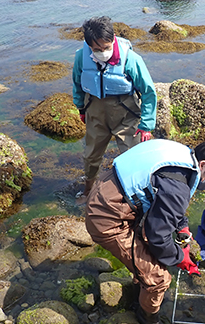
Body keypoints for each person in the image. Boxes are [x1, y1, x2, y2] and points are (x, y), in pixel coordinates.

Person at [85, 139, 205, 324]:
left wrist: (182, 230)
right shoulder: (178, 186)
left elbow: (169, 205)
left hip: (109, 189)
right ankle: (149, 320)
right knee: (159, 278)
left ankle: (139, 289)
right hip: (107, 216)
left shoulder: (182, 154)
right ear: (203, 165)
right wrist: (179, 258)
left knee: (147, 256)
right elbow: (157, 237)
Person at [72, 16, 157, 203]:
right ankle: (88, 190)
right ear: (88, 46)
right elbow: (77, 84)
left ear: (114, 38)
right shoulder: (81, 57)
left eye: (106, 47)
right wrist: (81, 108)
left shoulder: (131, 60)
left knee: (132, 156)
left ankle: (136, 196)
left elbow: (149, 92)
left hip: (126, 112)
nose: (103, 52)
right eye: (97, 50)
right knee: (91, 155)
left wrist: (147, 124)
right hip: (95, 110)